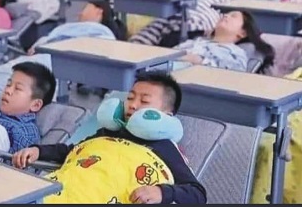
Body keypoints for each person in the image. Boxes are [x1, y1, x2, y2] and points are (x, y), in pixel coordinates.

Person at [12, 72, 207, 204]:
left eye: (144, 101)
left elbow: (197, 192)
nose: (133, 105)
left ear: (167, 115)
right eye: (130, 98)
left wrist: (161, 192)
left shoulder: (165, 147)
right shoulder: (108, 133)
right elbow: (72, 151)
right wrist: (38, 150)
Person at [174, 11, 274, 72]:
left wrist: (197, 60)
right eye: (226, 14)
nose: (226, 16)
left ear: (243, 33)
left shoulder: (236, 53)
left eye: (233, 16)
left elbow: (229, 76)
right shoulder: (195, 41)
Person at [28, 0, 126, 55]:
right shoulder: (76, 29)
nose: (79, 13)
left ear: (99, 11)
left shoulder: (102, 33)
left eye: (84, 8)